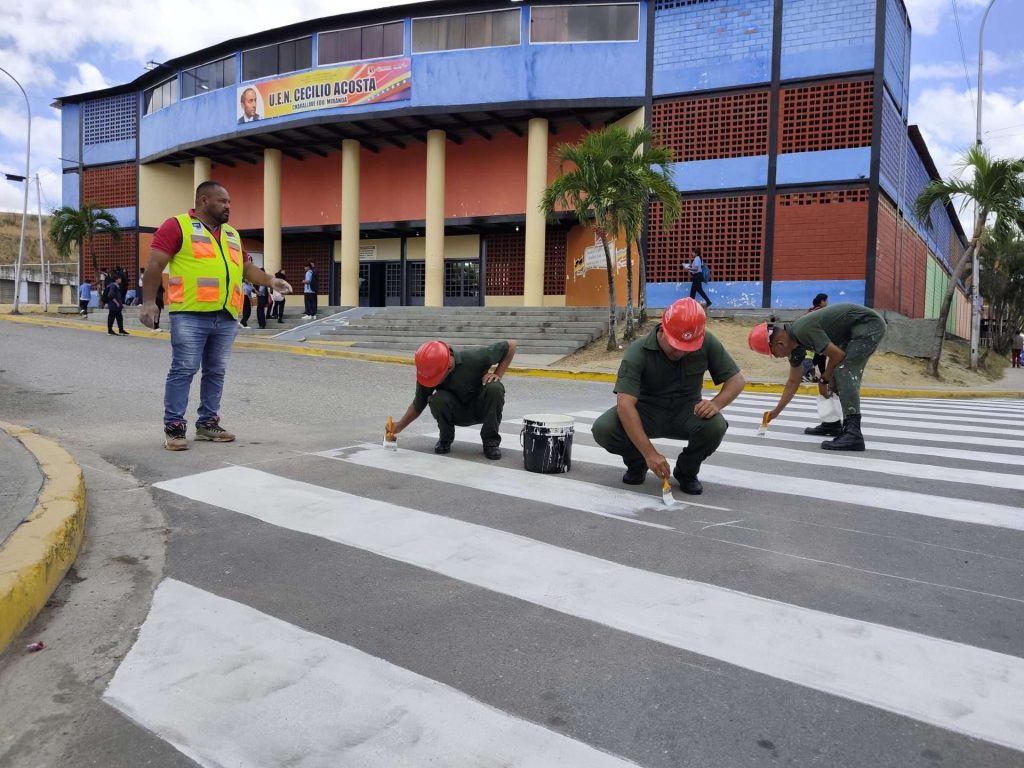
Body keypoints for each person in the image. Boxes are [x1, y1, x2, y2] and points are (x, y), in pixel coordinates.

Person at [140, 181, 292, 451]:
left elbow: (246, 268)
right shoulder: (177, 226)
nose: (228, 206)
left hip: (226, 314)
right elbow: (155, 264)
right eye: (223, 201)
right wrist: (149, 302)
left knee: (216, 371)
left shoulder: (231, 234)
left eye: (229, 202)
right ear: (204, 200)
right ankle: (174, 427)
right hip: (190, 313)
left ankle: (207, 423)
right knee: (184, 369)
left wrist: (271, 281)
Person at [592, 297, 745, 495]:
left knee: (715, 426)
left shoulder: (706, 341)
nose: (681, 352)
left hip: (686, 412)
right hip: (646, 413)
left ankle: (687, 471)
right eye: (676, 345)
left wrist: (716, 404)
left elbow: (737, 380)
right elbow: (625, 404)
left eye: (687, 348)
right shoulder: (638, 350)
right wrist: (649, 454)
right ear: (663, 330)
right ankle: (637, 463)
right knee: (604, 428)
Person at [749, 303, 886, 451]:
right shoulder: (795, 345)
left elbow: (837, 355)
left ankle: (853, 433)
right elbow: (793, 381)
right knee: (834, 374)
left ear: (780, 343)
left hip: (868, 324)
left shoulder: (802, 330)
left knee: (843, 370)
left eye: (774, 353)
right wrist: (775, 412)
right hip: (849, 333)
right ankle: (832, 423)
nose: (776, 357)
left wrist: (823, 379)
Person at [390, 338, 518, 459]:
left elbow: (511, 345)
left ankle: (491, 443)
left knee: (495, 387)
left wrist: (497, 374)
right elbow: (418, 404)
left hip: (481, 409)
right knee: (438, 399)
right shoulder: (429, 372)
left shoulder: (476, 357)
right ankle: (445, 439)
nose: (434, 381)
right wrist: (400, 425)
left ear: (449, 365)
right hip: (456, 413)